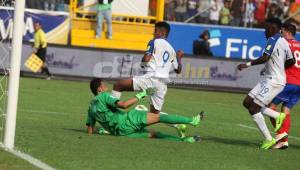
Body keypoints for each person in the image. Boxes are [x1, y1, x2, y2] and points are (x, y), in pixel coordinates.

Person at [237, 18, 295, 149]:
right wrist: (278, 68)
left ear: (273, 28)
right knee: (247, 102)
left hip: (274, 81)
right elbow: (291, 61)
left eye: (266, 27)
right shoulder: (284, 42)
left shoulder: (273, 39)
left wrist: (246, 64)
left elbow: (265, 57)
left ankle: (269, 138)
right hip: (269, 79)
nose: (264, 31)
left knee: (253, 108)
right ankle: (277, 116)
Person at [86, 78, 202, 143]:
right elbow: (124, 105)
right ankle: (192, 121)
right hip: (128, 120)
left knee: (153, 134)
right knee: (158, 117)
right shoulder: (104, 96)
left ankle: (186, 140)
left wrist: (102, 130)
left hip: (121, 133)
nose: (106, 87)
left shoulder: (91, 108)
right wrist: (142, 94)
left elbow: (90, 130)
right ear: (99, 88)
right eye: (104, 85)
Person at [111, 21, 183, 115]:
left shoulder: (154, 42)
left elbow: (146, 59)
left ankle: (110, 115)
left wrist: (143, 66)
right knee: (154, 115)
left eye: (155, 31)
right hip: (162, 84)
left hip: (151, 78)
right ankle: (178, 124)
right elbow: (178, 70)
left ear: (162, 33)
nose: (154, 33)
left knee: (118, 85)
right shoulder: (172, 50)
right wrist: (179, 57)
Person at [269, 23, 300, 149]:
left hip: (288, 82)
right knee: (286, 110)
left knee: (270, 108)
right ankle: (284, 141)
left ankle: (281, 136)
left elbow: (280, 62)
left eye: (282, 31)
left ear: (287, 32)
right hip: (299, 84)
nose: (280, 34)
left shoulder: (285, 44)